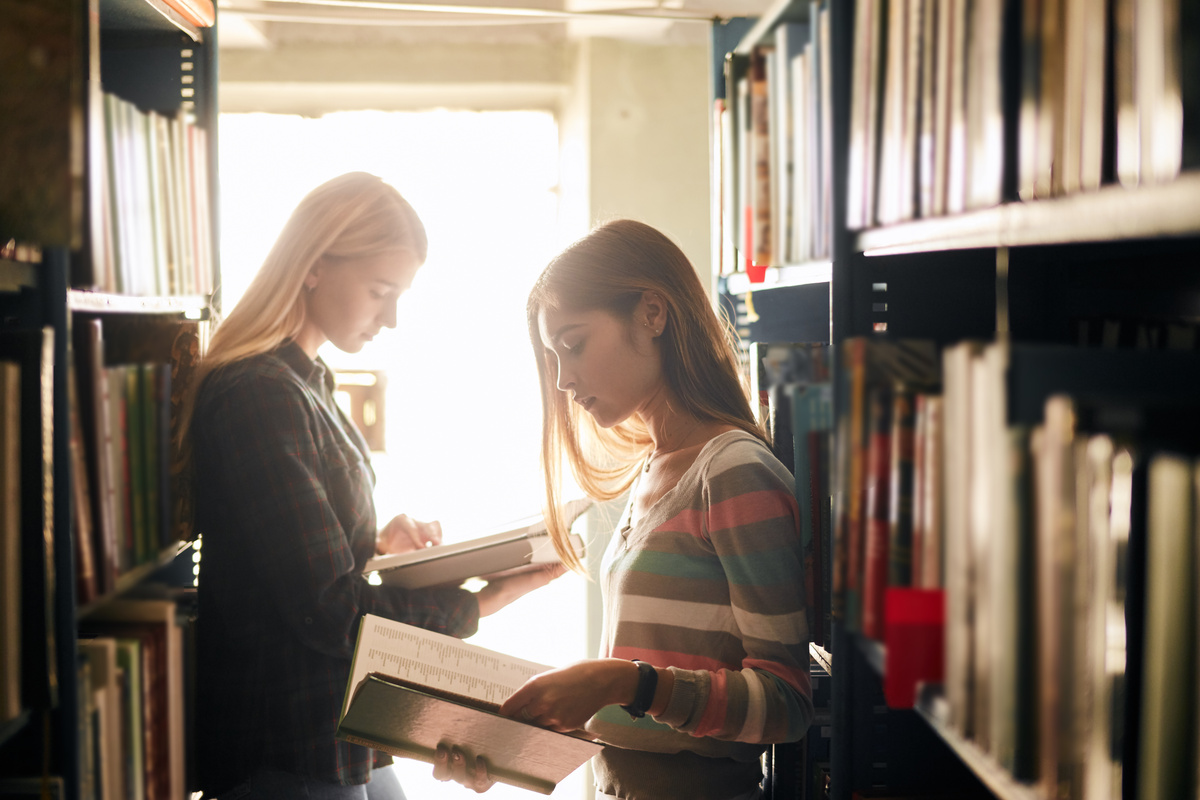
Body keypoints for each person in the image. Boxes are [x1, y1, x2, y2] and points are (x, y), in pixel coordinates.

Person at [177, 172, 561, 800]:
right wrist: (481, 602)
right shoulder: (261, 393)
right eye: (381, 290)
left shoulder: (309, 381)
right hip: (290, 747)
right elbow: (325, 609)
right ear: (312, 267)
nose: (393, 318)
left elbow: (294, 561)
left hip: (340, 733)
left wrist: (377, 547)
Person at [434, 219, 814, 799]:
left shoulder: (734, 472)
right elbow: (649, 711)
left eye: (574, 344)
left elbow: (786, 705)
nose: (563, 379)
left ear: (652, 313)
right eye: (553, 356)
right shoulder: (655, 469)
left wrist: (625, 683)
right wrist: (510, 740)